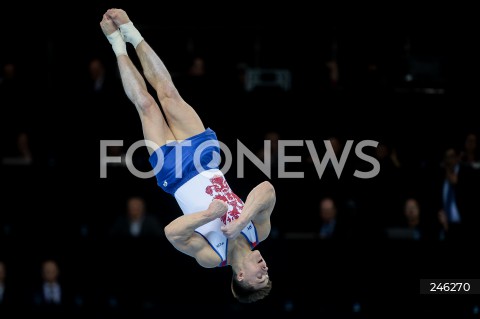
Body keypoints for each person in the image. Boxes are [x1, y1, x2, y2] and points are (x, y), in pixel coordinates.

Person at [100, 8, 276, 303]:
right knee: (169, 93)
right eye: (267, 273)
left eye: (261, 276)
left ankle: (116, 43)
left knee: (146, 105)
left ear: (241, 276)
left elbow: (172, 233)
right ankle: (130, 30)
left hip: (174, 174)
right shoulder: (260, 230)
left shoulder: (211, 257)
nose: (265, 268)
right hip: (206, 159)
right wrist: (241, 219)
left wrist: (209, 216)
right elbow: (267, 190)